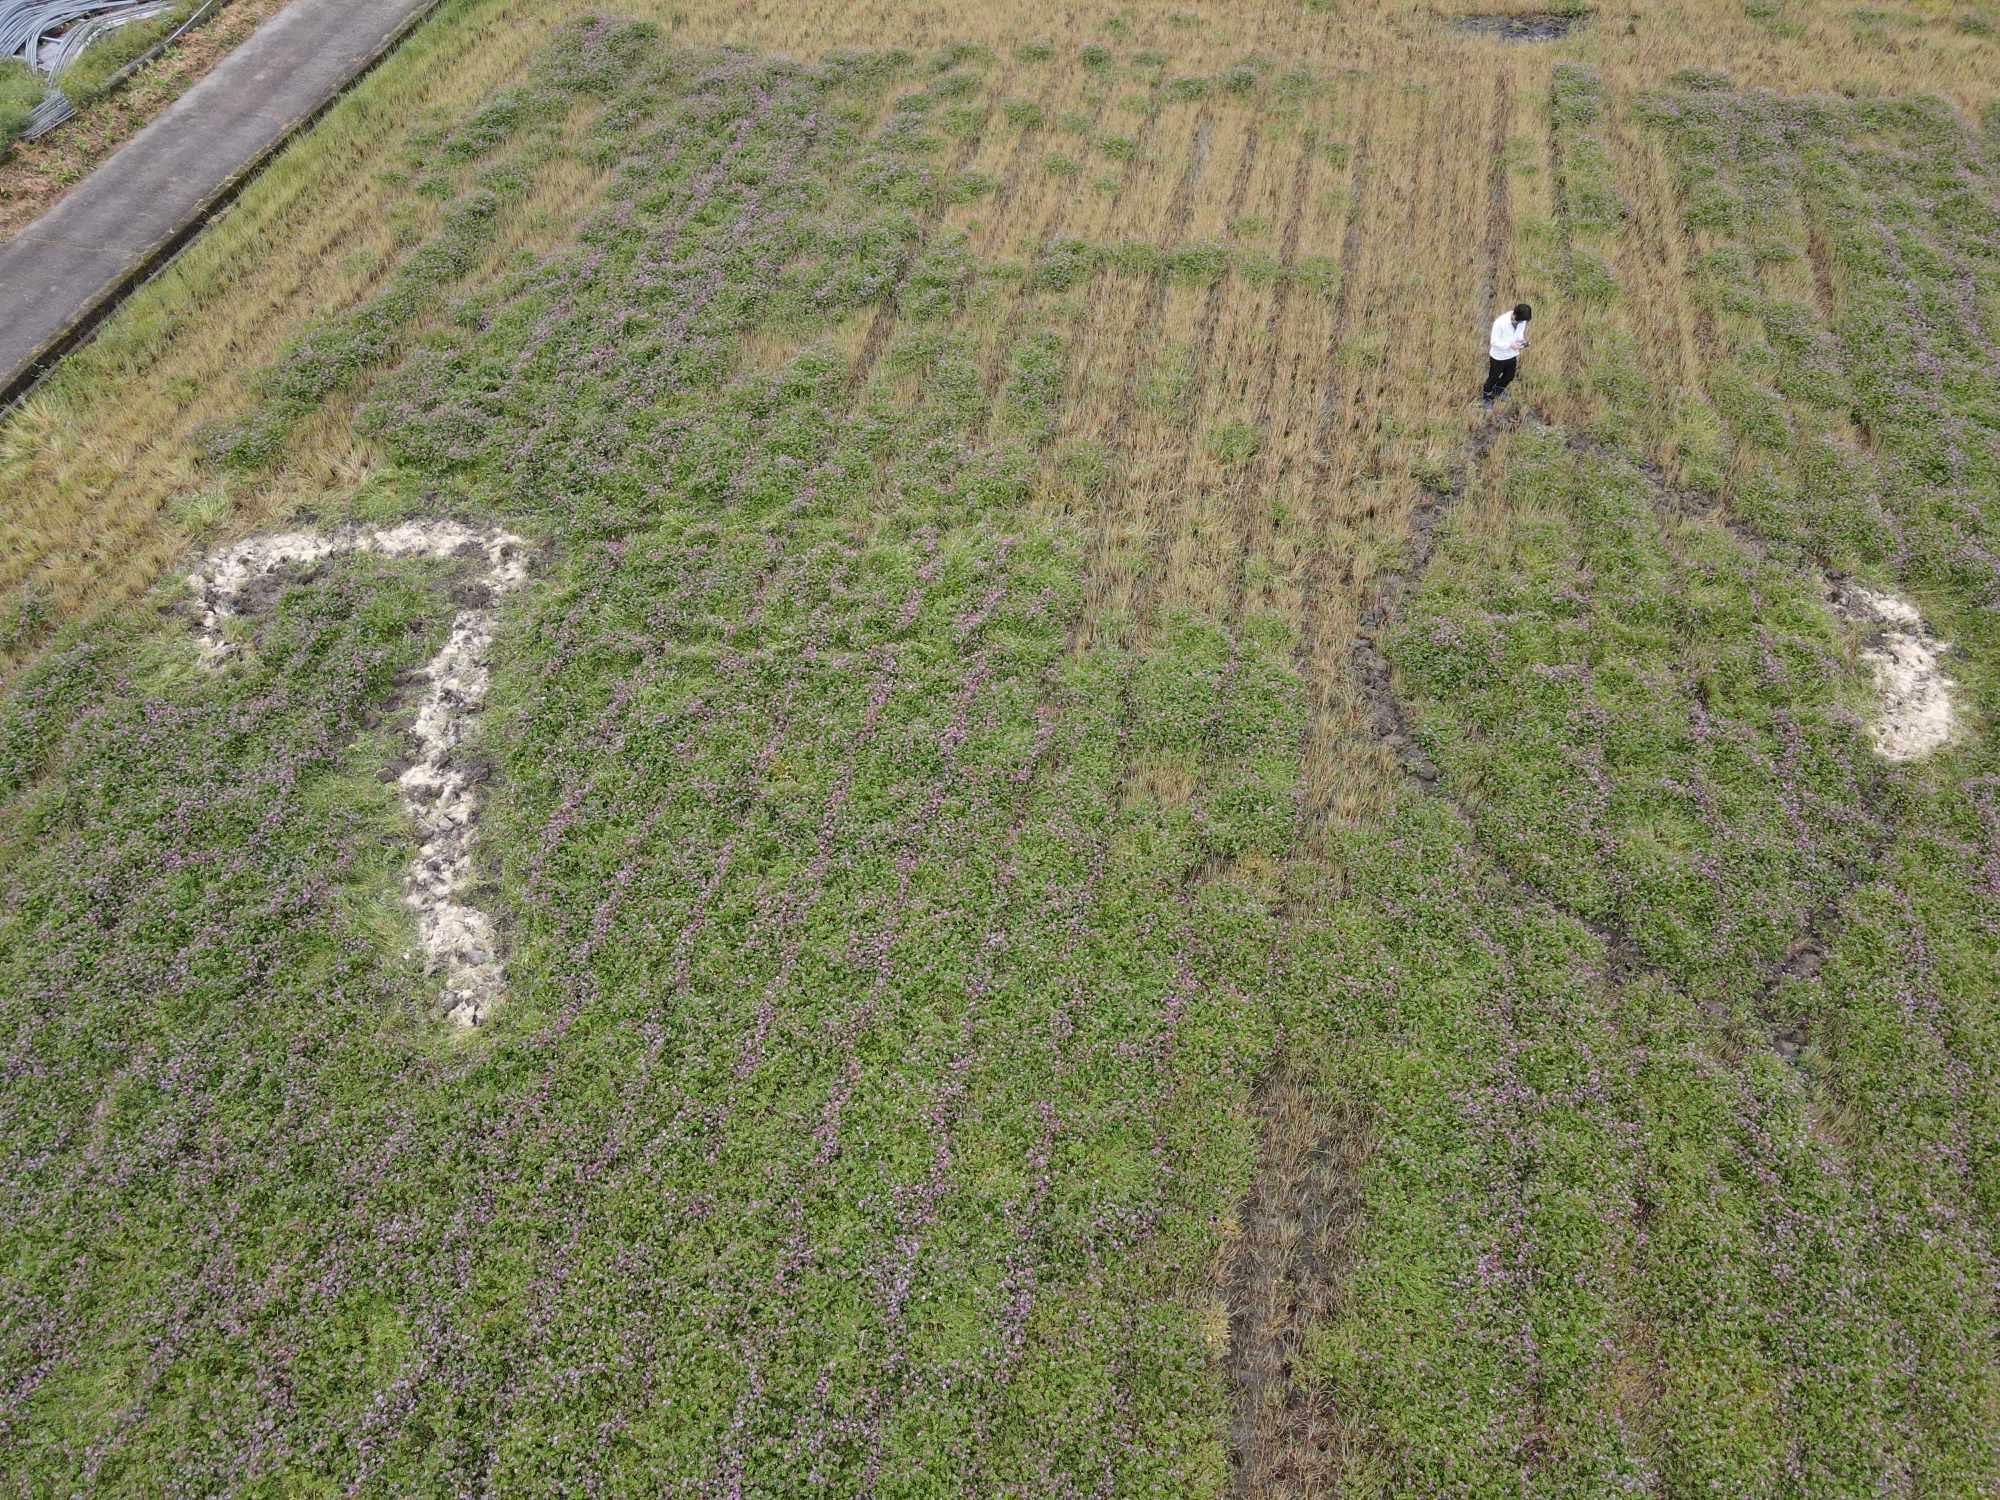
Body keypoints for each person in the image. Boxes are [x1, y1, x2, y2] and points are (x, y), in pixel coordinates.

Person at [1481, 302, 1531, 405]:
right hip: (1498, 357)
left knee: (1509, 376)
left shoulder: (1522, 321)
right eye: (1520, 321)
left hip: (1512, 354)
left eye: (1523, 321)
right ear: (1514, 314)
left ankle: (1498, 391)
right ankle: (1486, 396)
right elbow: (1494, 342)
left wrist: (1522, 341)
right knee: (1493, 378)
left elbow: (1519, 334)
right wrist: (1510, 345)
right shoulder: (1500, 323)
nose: (1522, 323)